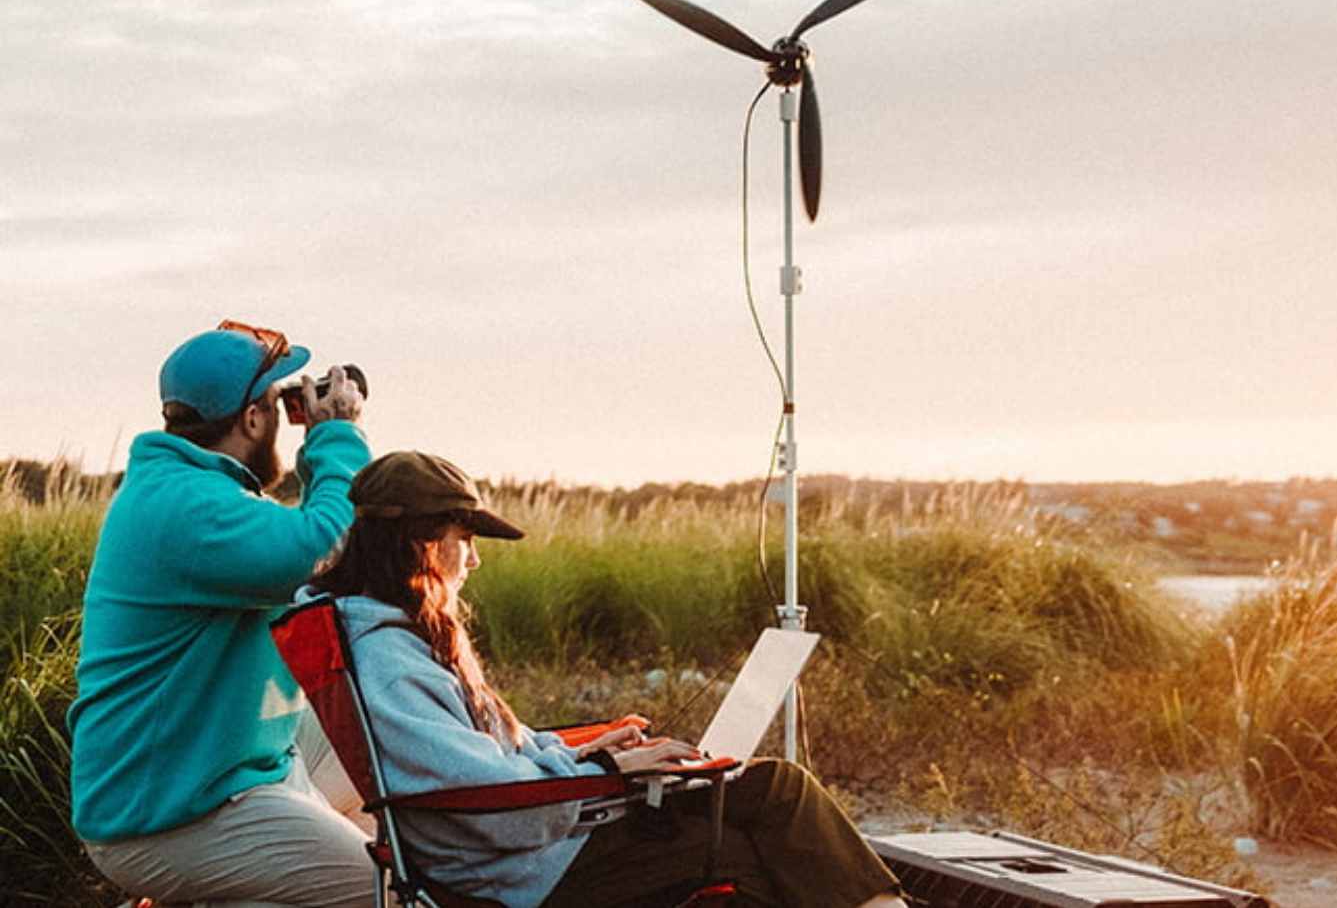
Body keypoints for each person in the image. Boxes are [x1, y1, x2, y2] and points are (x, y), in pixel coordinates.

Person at [303, 450, 906, 908]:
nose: (475, 559)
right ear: (422, 543)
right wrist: (607, 775)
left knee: (771, 788)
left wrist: (588, 749)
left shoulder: (402, 636)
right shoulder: (389, 658)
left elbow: (489, 756)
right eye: (466, 538)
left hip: (535, 840)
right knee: (747, 853)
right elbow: (494, 809)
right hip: (520, 869)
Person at [68, 319, 377, 906]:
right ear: (255, 419)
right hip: (168, 814)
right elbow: (322, 551)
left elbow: (301, 539)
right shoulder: (185, 506)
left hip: (221, 761)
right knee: (386, 889)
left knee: (380, 741)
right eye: (275, 403)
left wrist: (321, 458)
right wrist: (337, 436)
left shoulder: (195, 492)